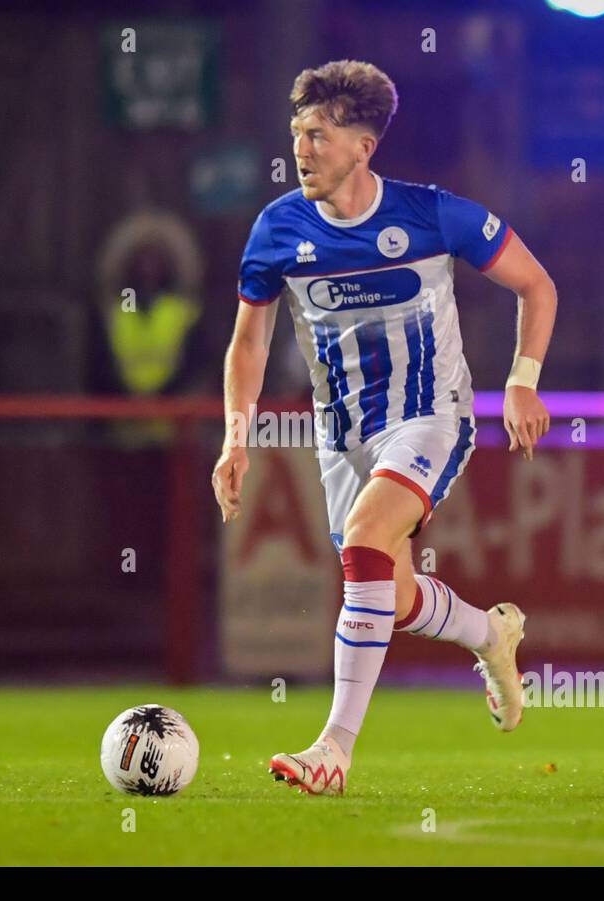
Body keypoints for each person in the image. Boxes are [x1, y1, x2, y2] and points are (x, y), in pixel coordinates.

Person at [212, 60, 557, 795]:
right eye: (296, 133)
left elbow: (536, 284)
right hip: (340, 438)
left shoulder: (433, 217)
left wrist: (521, 383)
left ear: (363, 146)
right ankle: (490, 636)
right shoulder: (278, 229)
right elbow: (249, 341)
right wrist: (235, 436)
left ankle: (333, 751)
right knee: (391, 597)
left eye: (317, 134)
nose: (300, 149)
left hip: (430, 418)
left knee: (366, 542)